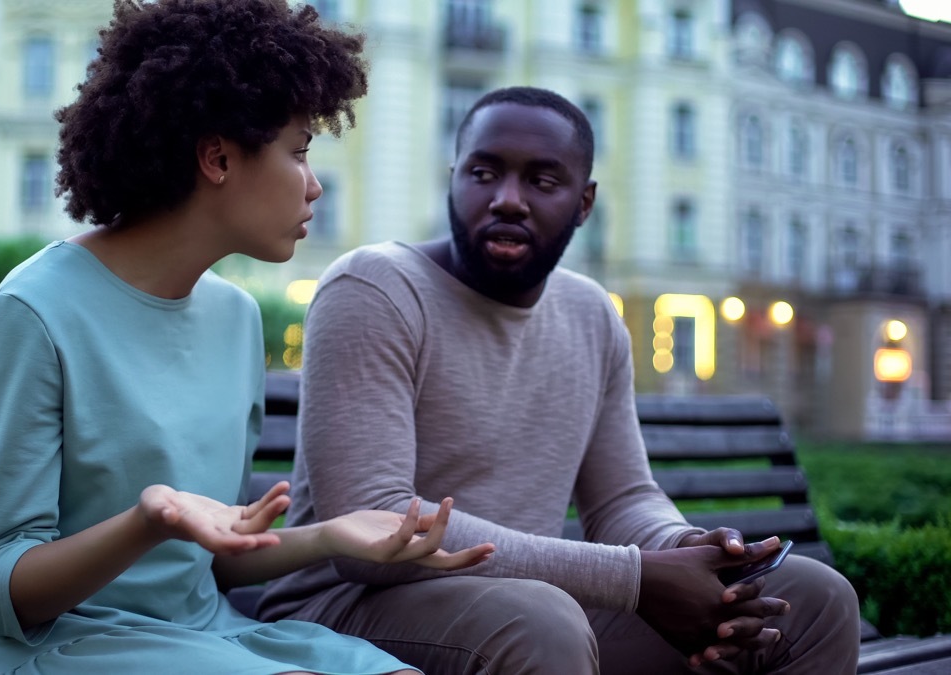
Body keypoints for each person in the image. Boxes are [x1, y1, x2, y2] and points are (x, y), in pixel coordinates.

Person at [0, 2, 495, 673]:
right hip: (58, 644)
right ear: (216, 157)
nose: (314, 186)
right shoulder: (31, 312)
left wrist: (332, 535)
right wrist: (148, 519)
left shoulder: (236, 319)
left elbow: (214, 557)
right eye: (298, 152)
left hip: (205, 633)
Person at [258, 86, 861, 674]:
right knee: (539, 620)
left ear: (584, 203)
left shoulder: (591, 314)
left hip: (527, 607)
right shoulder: (374, 288)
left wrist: (684, 550)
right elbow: (375, 529)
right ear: (453, 179)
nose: (507, 200)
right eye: (483, 173)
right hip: (343, 612)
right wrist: (637, 578)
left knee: (814, 598)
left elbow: (622, 499)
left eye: (542, 181)